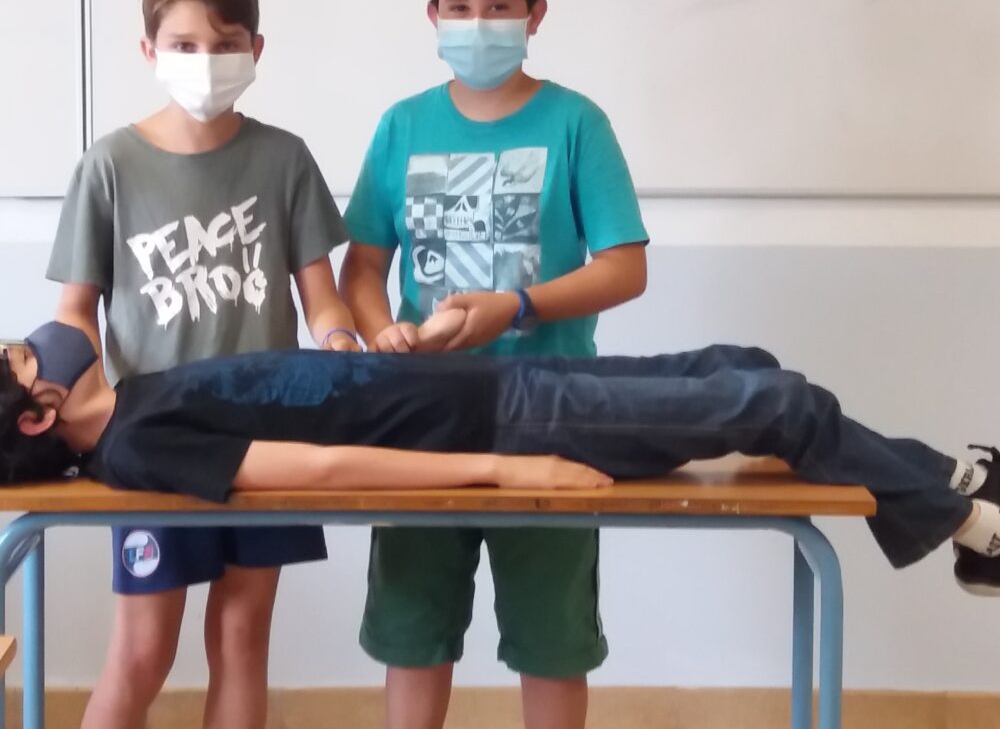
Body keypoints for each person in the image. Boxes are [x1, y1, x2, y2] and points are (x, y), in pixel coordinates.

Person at [1, 315, 999, 602]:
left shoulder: (133, 398)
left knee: (746, 365)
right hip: (510, 427)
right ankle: (975, 524)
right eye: (18, 358)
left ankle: (952, 491)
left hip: (493, 386)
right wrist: (509, 472)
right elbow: (315, 471)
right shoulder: (134, 444)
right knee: (776, 403)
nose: (33, 340)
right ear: (39, 415)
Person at [342, 0, 648, 729]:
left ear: (535, 15)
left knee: (552, 637)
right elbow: (362, 269)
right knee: (413, 628)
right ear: (433, 15)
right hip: (423, 414)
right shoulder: (402, 126)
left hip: (548, 413)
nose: (479, 24)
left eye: (500, 6)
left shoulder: (576, 123)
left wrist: (517, 307)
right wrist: (381, 332)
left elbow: (625, 267)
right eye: (460, 7)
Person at [45, 0, 358, 729]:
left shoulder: (284, 158)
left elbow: (320, 295)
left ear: (256, 49)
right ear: (149, 50)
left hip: (268, 430)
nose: (206, 61)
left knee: (243, 638)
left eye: (225, 44)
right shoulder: (109, 165)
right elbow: (75, 310)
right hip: (156, 437)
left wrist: (339, 341)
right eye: (184, 44)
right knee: (143, 649)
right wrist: (90, 402)